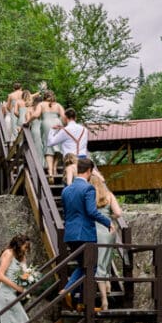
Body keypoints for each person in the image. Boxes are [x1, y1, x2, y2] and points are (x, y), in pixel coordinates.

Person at [61, 157, 113, 307]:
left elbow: (67, 213)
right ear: (89, 171)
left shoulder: (66, 190)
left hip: (70, 234)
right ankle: (69, 290)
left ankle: (81, 303)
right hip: (84, 233)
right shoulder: (88, 188)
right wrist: (107, 222)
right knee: (92, 266)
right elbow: (91, 211)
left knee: (83, 266)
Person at [89, 172, 123, 311]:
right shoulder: (109, 195)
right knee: (107, 258)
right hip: (109, 231)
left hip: (95, 231)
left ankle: (104, 300)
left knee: (99, 263)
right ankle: (107, 284)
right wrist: (109, 217)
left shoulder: (90, 196)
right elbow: (119, 213)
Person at [46, 109, 87, 185]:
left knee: (69, 184)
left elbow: (50, 143)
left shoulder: (65, 130)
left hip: (70, 160)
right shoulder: (84, 130)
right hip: (83, 159)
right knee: (84, 184)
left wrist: (52, 130)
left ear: (65, 118)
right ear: (76, 117)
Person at [39, 90, 66, 179]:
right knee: (58, 147)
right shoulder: (58, 105)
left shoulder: (41, 104)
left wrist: (27, 121)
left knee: (48, 148)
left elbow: (35, 115)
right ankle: (54, 168)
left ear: (44, 97)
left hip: (46, 124)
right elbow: (64, 117)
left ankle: (50, 172)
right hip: (57, 124)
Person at [25, 93, 46, 163]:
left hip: (35, 130)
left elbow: (27, 121)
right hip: (44, 129)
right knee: (44, 146)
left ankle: (37, 163)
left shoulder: (29, 110)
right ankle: (44, 164)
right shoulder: (44, 110)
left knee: (36, 146)